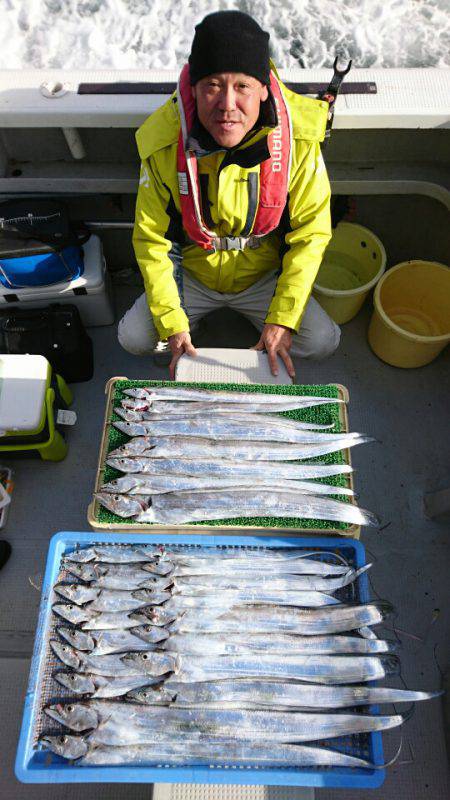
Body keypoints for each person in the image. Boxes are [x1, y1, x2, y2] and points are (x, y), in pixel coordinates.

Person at [118, 10, 340, 379]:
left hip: (264, 275)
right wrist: (172, 322)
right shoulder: (160, 143)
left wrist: (282, 318)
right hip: (192, 274)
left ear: (264, 88)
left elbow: (311, 236)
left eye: (242, 87)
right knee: (134, 338)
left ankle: (267, 330)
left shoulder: (299, 142)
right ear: (193, 89)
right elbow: (152, 240)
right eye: (212, 85)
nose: (227, 105)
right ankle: (190, 332)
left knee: (322, 341)